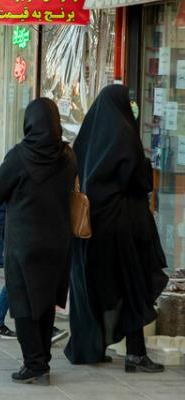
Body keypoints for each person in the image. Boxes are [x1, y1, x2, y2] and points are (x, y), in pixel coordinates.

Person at [64, 85, 168, 373]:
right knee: (133, 287)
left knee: (94, 287)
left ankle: (87, 348)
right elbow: (139, 181)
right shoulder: (125, 136)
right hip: (124, 227)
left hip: (90, 225)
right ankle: (135, 354)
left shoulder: (87, 135)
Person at [0, 98, 76, 385]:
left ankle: (34, 364)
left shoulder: (20, 156)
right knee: (45, 303)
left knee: (22, 302)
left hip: (25, 242)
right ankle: (41, 361)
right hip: (58, 240)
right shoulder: (67, 156)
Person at [0, 202, 68, 343]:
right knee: (25, 278)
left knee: (22, 278)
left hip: (27, 226)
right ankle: (44, 329)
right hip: (23, 228)